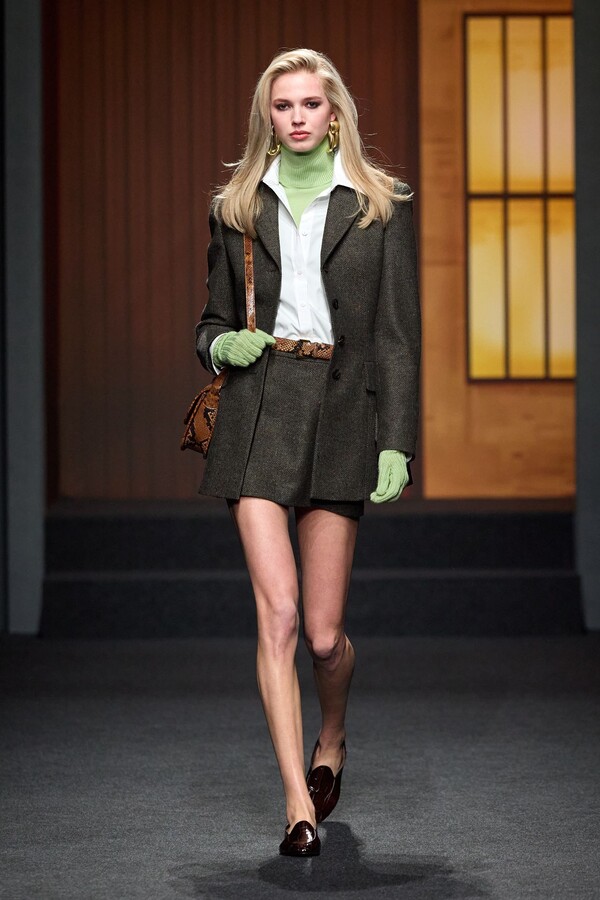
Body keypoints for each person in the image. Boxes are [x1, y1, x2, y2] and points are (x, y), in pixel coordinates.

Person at [195, 48, 420, 857]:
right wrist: (222, 348)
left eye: (310, 104)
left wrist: (397, 440)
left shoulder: (377, 205)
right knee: (280, 615)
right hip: (259, 408)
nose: (296, 116)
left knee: (324, 637)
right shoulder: (235, 205)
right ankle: (297, 802)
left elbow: (396, 337)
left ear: (334, 115)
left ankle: (333, 735)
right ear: (268, 115)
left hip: (341, 408)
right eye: (283, 104)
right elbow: (211, 320)